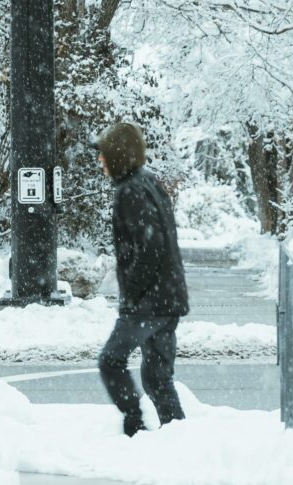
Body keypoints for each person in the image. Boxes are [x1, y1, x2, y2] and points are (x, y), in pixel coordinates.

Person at [93, 122, 189, 437]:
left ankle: (134, 425)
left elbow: (150, 247)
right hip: (169, 298)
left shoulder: (130, 191)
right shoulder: (150, 184)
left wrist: (132, 296)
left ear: (119, 155)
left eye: (104, 155)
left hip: (150, 301)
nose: (100, 161)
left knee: (111, 360)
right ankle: (178, 436)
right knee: (158, 377)